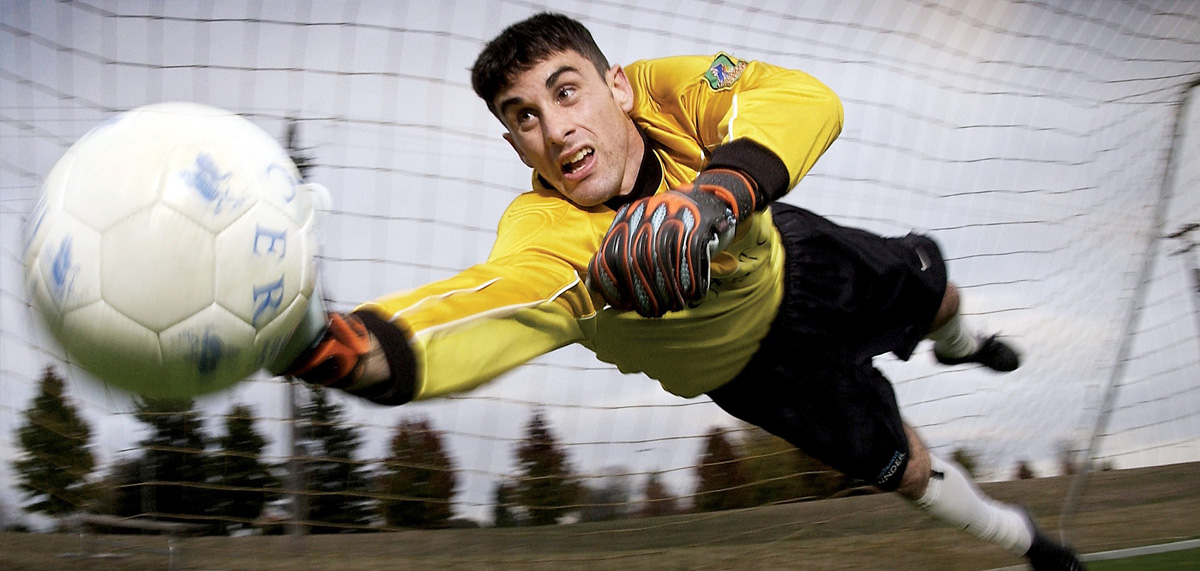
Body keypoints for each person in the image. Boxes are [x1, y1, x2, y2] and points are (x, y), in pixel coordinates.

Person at [272, 12, 1084, 570]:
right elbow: (489, 303)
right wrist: (347, 348)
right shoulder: (547, 233)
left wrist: (716, 195)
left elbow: (801, 98)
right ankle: (1029, 543)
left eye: (565, 91)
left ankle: (957, 344)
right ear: (516, 142)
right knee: (905, 469)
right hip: (757, 373)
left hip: (799, 259)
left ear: (617, 87)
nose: (555, 130)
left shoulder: (676, 88)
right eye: (523, 118)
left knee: (938, 294)